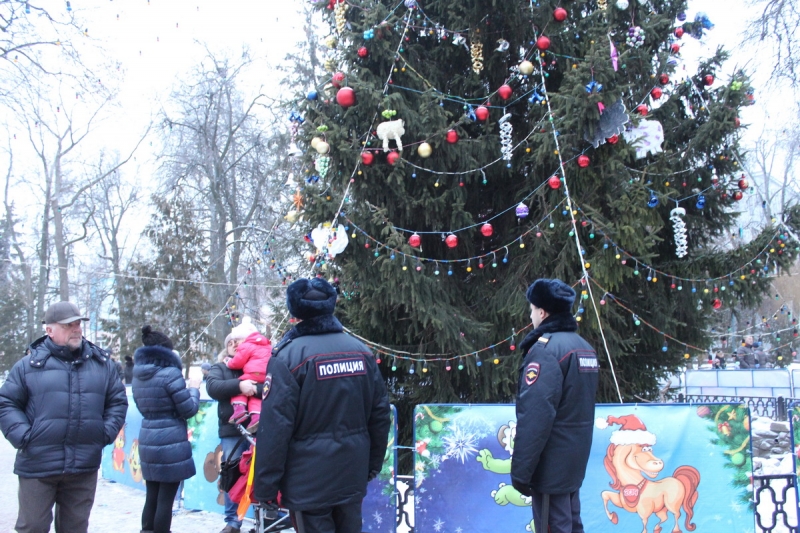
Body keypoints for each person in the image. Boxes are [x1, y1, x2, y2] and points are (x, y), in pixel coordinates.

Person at [253, 277, 391, 533]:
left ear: (294, 310)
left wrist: (265, 488)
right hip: (351, 473)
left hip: (308, 481)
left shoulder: (288, 357)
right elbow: (380, 415)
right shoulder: (361, 351)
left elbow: (274, 428)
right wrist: (371, 465)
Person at [0, 301, 128, 533]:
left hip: (83, 466)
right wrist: (25, 436)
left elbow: (117, 402)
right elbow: (6, 403)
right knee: (33, 527)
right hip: (38, 465)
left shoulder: (102, 365)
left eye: (78, 323)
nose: (77, 329)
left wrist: (103, 433)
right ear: (49, 330)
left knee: (75, 529)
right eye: (69, 325)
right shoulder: (27, 366)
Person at [511, 279, 599, 533]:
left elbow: (536, 416)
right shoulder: (584, 348)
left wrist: (521, 472)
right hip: (572, 463)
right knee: (571, 525)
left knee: (555, 527)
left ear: (542, 312)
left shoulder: (546, 351)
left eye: (531, 309)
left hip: (551, 467)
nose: (531, 315)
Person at [132, 325, 201, 533]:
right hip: (170, 441)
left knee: (151, 496)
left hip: (148, 439)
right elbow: (188, 409)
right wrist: (194, 389)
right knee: (165, 500)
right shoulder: (170, 374)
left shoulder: (138, 376)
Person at [206, 321, 261, 533]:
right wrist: (240, 386)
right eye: (232, 342)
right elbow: (213, 387)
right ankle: (233, 522)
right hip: (232, 432)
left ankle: (261, 517)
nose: (236, 345)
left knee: (261, 474)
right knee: (232, 475)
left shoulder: (258, 366)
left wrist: (252, 388)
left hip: (260, 428)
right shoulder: (220, 368)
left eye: (240, 341)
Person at [225, 327, 272, 433]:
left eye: (237, 341)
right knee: (255, 397)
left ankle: (239, 409)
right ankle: (256, 416)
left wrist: (228, 362)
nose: (236, 345)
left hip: (252, 373)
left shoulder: (247, 345)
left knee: (240, 385)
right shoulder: (267, 345)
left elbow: (237, 362)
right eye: (231, 344)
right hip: (265, 375)